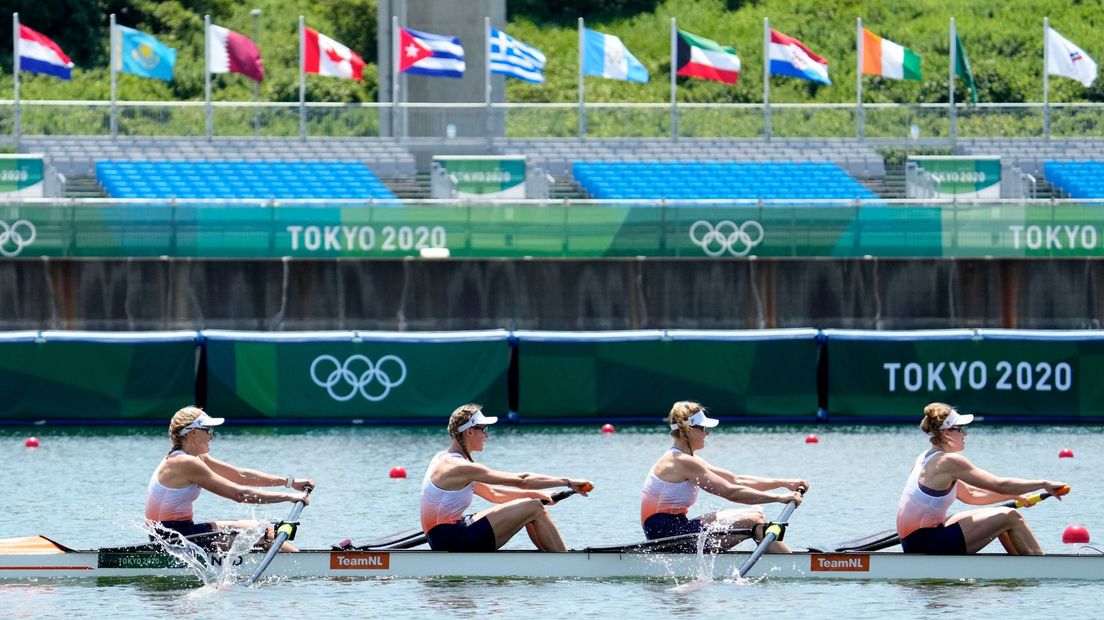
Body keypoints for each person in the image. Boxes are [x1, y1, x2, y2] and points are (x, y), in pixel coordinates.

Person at [896, 402, 1068, 555]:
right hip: (926, 543)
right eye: (960, 429)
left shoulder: (925, 457)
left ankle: (1021, 566)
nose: (965, 434)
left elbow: (970, 494)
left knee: (996, 517)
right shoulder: (948, 461)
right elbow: (1000, 484)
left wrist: (1013, 496)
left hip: (915, 540)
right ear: (947, 433)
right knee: (1011, 516)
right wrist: (1043, 484)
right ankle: (1041, 566)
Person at [420, 404, 593, 552]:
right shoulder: (460, 467)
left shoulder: (444, 459)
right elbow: (522, 480)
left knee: (533, 503)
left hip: (444, 536)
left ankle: (553, 556)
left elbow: (493, 494)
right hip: (452, 541)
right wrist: (568, 481)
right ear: (470, 432)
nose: (486, 436)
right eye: (484, 430)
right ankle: (565, 563)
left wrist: (536, 494)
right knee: (534, 508)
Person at [641, 401, 807, 552]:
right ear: (689, 430)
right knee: (753, 519)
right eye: (704, 428)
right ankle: (793, 564)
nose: (707, 434)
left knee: (756, 513)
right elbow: (731, 492)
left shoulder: (687, 459)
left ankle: (784, 559)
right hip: (665, 539)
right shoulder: (682, 462)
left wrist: (783, 483)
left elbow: (736, 480)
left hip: (677, 528)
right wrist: (779, 498)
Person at [145, 406, 314, 551]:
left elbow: (240, 476)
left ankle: (303, 562)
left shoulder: (195, 457)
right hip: (171, 539)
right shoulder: (185, 462)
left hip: (183, 531)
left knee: (264, 530)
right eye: (208, 430)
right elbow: (238, 495)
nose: (211, 436)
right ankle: (312, 568)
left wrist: (290, 482)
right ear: (194, 433)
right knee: (260, 534)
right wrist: (289, 497)